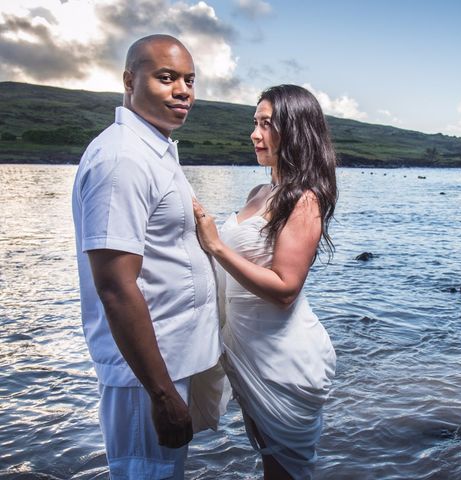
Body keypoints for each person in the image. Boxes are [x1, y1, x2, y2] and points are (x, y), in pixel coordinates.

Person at [72, 34, 224, 479]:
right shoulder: (122, 159)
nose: (183, 91)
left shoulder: (152, 151)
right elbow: (116, 287)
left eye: (190, 80)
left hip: (169, 361)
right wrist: (160, 395)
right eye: (166, 77)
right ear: (129, 80)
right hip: (146, 373)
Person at [192, 84, 337, 479]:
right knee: (269, 462)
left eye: (267, 124)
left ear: (295, 131)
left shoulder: (304, 200)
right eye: (254, 123)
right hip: (246, 348)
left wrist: (217, 247)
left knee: (286, 471)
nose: (255, 134)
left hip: (282, 357)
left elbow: (286, 289)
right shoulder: (260, 190)